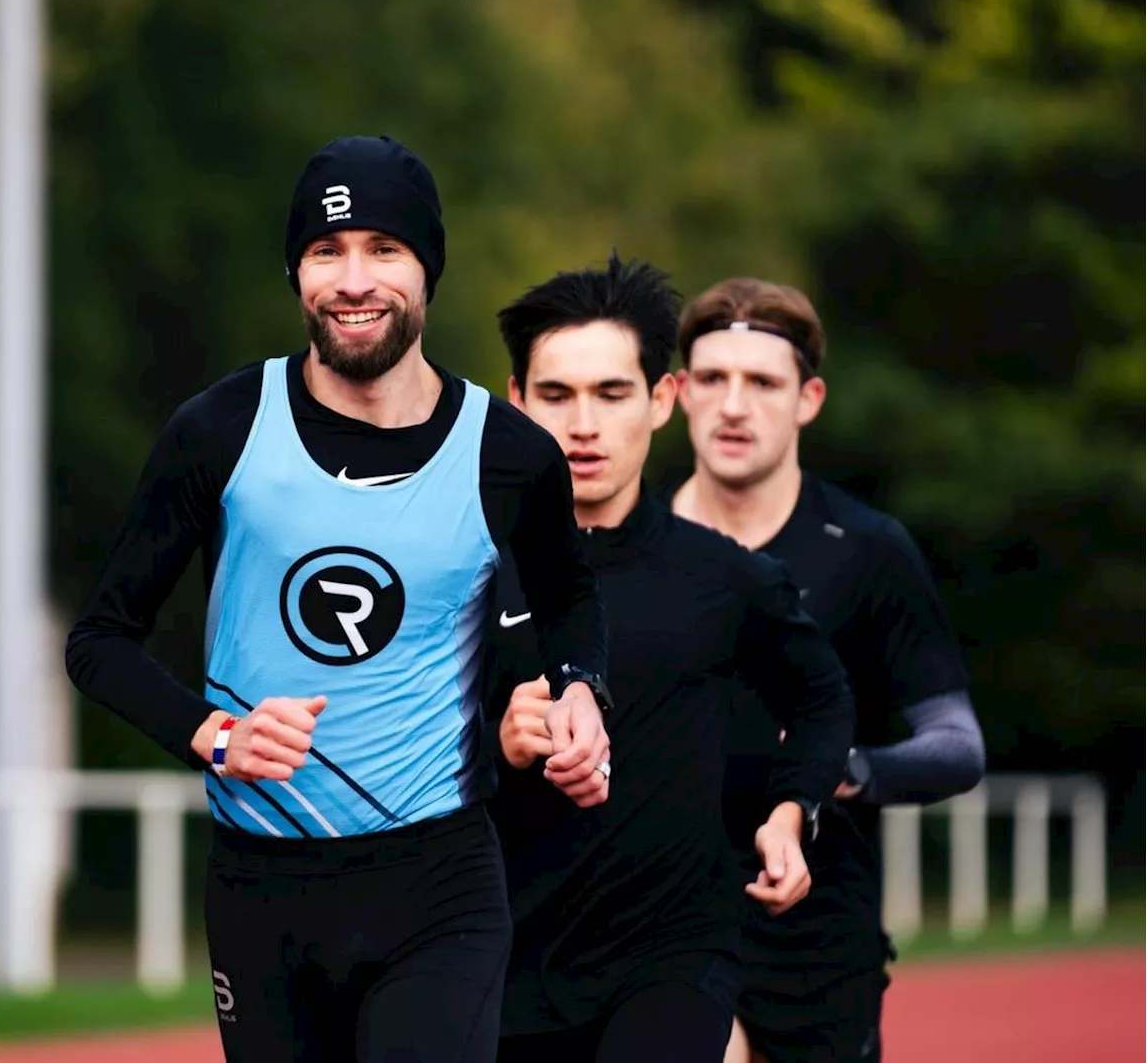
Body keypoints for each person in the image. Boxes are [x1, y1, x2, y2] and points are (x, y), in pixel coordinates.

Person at [65, 135, 614, 1063]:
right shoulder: (219, 431)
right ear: (297, 272)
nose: (353, 279)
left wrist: (585, 690)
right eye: (327, 252)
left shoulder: (510, 454)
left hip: (436, 881)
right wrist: (216, 734)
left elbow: (569, 597)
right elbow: (100, 641)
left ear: (428, 269)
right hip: (261, 888)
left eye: (383, 249)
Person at [484, 254, 855, 1063]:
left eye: (612, 393)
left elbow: (823, 696)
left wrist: (792, 814)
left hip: (673, 960)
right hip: (507, 965)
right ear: (516, 402)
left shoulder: (727, 576)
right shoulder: (468, 571)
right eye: (556, 394)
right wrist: (498, 742)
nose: (583, 424)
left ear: (662, 398)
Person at [670, 277, 987, 1063]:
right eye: (712, 379)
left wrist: (836, 767)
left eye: (762, 383)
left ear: (808, 398)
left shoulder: (869, 549)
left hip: (819, 946)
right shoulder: (631, 543)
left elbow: (957, 744)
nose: (733, 405)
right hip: (665, 932)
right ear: (676, 392)